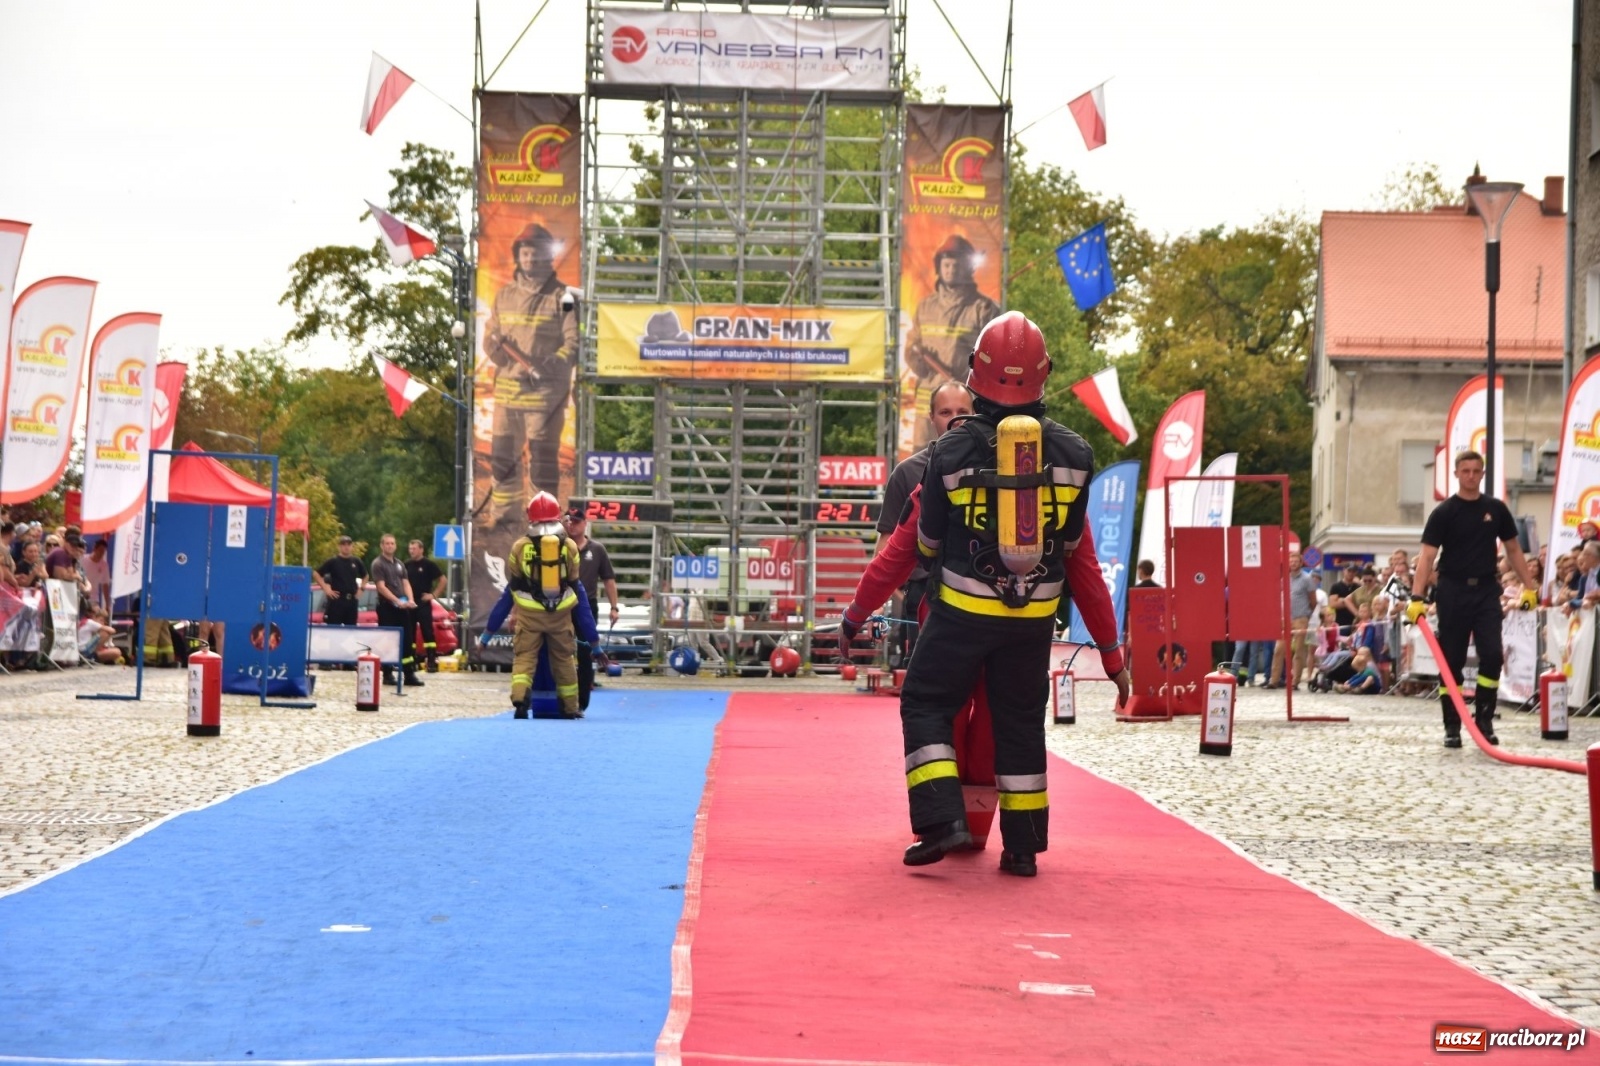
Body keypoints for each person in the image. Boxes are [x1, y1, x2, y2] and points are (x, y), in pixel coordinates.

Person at [893, 311, 1131, 877]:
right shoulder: (1076, 456)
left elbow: (926, 541)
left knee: (926, 702)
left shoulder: (948, 454)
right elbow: (1076, 552)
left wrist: (936, 561)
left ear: (977, 372)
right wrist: (1113, 655)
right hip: (1033, 623)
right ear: (1043, 375)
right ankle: (1022, 849)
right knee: (1020, 722)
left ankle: (942, 820)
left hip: (960, 614)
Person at [1408, 450, 1538, 748]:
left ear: (1482, 474)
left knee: (1492, 655)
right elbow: (1428, 556)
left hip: (1485, 591)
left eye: (1475, 471)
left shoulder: (1495, 509)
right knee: (1450, 660)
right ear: (1456, 474)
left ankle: (1484, 720)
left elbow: (1513, 549)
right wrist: (1417, 597)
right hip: (1452, 591)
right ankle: (1452, 725)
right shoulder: (1444, 512)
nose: (1470, 475)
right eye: (1465, 470)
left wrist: (1528, 587)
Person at [483, 224, 579, 526]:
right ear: (518, 257)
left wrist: (548, 365)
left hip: (545, 396)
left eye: (536, 254)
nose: (530, 260)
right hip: (507, 393)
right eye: (525, 253)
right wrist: (495, 350)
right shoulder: (504, 295)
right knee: (501, 457)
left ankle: (543, 518)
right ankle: (503, 516)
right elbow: (491, 334)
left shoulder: (563, 296)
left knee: (543, 460)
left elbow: (574, 343)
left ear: (547, 258)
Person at [874, 381, 974, 666]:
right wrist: (880, 603)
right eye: (945, 412)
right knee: (923, 689)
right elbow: (884, 550)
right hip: (923, 598)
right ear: (931, 417)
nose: (954, 419)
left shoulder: (994, 468)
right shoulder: (907, 473)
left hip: (979, 596)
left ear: (974, 414)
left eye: (962, 411)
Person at [903, 235, 1000, 450]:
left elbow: (995, 359)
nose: (951, 270)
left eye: (956, 265)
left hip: (966, 403)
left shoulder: (983, 309)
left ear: (967, 269)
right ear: (939, 267)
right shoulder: (925, 307)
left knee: (967, 456)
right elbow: (912, 347)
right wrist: (917, 358)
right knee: (922, 462)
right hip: (928, 404)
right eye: (946, 265)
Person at [505, 491, 583, 718]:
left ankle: (520, 702)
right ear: (557, 515)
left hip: (529, 613)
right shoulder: (569, 546)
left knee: (525, 658)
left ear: (531, 517)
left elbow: (515, 581)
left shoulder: (519, 547)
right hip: (560, 614)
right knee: (564, 659)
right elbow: (573, 580)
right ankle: (569, 708)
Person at [370, 533, 423, 687]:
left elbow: (406, 583)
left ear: (395, 545)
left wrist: (410, 599)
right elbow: (381, 586)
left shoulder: (399, 564)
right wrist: (396, 601)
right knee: (387, 641)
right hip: (387, 607)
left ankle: (409, 674)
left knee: (407, 641)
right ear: (381, 546)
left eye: (392, 543)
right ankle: (387, 674)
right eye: (387, 543)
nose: (390, 546)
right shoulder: (378, 564)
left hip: (403, 607)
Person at [1267, 550, 1315, 690]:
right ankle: (1274, 680)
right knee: (1279, 650)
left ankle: (1295, 682)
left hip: (1300, 618)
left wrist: (1307, 615)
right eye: (1291, 561)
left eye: (1296, 561)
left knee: (1299, 651)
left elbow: (1313, 600)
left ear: (1300, 563)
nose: (1293, 563)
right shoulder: (1284, 579)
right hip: (1285, 619)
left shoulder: (1307, 579)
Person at [563, 507, 619, 628]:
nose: (572, 526)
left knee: (587, 643)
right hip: (562, 604)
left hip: (588, 603)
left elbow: (608, 580)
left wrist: (614, 608)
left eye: (576, 522)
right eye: (569, 522)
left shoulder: (597, 549)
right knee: (562, 644)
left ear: (585, 523)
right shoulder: (559, 547)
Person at [404, 539, 446, 672]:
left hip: (423, 602)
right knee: (409, 633)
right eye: (410, 549)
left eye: (414, 549)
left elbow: (443, 579)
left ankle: (431, 660)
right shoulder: (406, 565)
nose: (412, 551)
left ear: (421, 550)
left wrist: (433, 595)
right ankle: (411, 660)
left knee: (427, 631)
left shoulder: (428, 564)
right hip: (410, 602)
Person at [315, 536, 367, 627]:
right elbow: (316, 574)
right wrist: (326, 588)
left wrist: (362, 588)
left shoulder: (356, 561)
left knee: (351, 631)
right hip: (337, 600)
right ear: (339, 547)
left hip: (352, 600)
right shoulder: (333, 561)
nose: (346, 547)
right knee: (334, 629)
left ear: (352, 547)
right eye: (343, 545)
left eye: (348, 545)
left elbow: (366, 576)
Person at [81, 538, 112, 614]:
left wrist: (107, 604)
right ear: (95, 548)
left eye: (103, 552)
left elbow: (105, 585)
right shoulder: (82, 559)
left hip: (94, 599)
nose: (101, 554)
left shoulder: (104, 565)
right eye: (100, 551)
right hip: (81, 595)